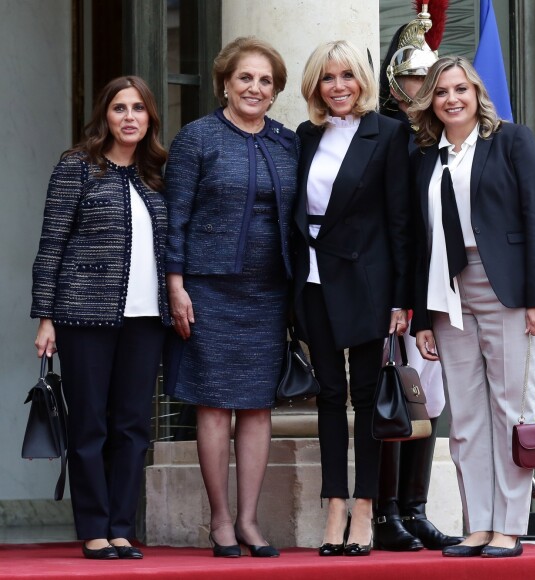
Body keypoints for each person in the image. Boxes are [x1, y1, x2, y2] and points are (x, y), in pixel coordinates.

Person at [408, 55, 535, 558]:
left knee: (509, 409)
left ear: (476, 93)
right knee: (466, 416)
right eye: (441, 91)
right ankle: (478, 524)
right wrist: (421, 317)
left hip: (507, 291)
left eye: (460, 89)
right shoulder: (425, 155)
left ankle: (509, 526)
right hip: (446, 293)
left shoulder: (511, 141)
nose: (452, 99)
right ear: (431, 100)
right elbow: (416, 241)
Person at [164, 36, 298, 558]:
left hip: (269, 292)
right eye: (246, 77)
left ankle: (248, 521)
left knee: (258, 407)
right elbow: (175, 217)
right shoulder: (197, 138)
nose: (255, 88)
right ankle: (220, 521)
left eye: (266, 81)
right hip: (209, 290)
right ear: (225, 82)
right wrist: (176, 285)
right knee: (216, 405)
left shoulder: (287, 142)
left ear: (275, 90)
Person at [31, 76, 169, 560]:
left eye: (138, 108)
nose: (129, 117)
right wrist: (44, 316)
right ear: (105, 116)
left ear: (150, 117)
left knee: (133, 424)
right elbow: (52, 244)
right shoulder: (77, 167)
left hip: (146, 318)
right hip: (82, 314)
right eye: (119, 108)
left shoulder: (158, 173)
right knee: (89, 423)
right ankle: (93, 527)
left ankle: (120, 527)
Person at [293, 40, 413, 557]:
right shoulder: (304, 135)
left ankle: (365, 504)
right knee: (326, 393)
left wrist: (401, 300)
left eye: (346, 76)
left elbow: (401, 222)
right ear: (315, 86)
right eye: (327, 78)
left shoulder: (388, 133)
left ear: (362, 80)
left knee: (365, 395)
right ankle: (334, 501)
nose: (338, 86)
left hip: (368, 281)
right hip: (314, 280)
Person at [374, 2, 463, 552]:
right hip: (395, 286)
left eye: (425, 77)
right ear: (393, 79)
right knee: (397, 392)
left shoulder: (441, 139)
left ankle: (416, 508)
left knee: (430, 396)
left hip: (439, 284)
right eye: (409, 75)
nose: (418, 85)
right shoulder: (382, 135)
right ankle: (387, 515)